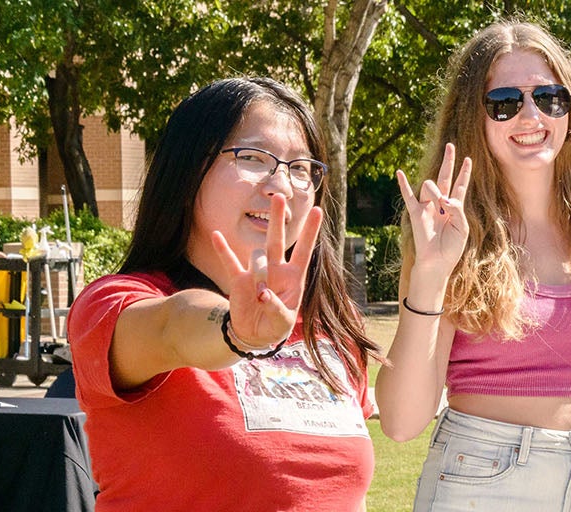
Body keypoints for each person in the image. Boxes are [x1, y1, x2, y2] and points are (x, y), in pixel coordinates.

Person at [376, 21, 571, 511]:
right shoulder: (447, 234)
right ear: (473, 118)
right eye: (505, 102)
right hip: (483, 482)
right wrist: (430, 274)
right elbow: (402, 423)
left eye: (550, 97)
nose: (531, 115)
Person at [66, 77, 379, 511]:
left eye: (301, 167)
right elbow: (173, 326)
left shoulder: (331, 326)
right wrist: (237, 332)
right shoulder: (115, 304)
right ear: (188, 169)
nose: (281, 187)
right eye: (252, 157)